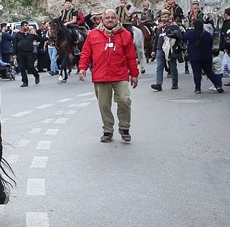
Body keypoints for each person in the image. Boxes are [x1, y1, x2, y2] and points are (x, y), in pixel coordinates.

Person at [78, 9, 139, 142]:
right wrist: (82, 68)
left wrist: (134, 74)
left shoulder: (126, 34)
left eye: (113, 17)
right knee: (104, 105)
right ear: (102, 20)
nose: (110, 20)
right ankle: (108, 130)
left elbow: (131, 56)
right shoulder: (93, 34)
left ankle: (124, 127)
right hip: (101, 76)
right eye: (107, 18)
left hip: (120, 75)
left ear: (117, 19)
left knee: (124, 100)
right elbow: (86, 52)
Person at [183, 18, 223, 94]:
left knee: (196, 72)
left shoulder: (190, 33)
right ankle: (218, 85)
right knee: (209, 72)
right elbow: (211, 44)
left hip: (194, 56)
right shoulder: (207, 35)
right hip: (206, 56)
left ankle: (198, 88)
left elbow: (183, 37)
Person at [151, 11, 182, 90]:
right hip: (160, 48)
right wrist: (153, 50)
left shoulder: (174, 26)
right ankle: (158, 84)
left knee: (172, 66)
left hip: (170, 49)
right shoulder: (159, 28)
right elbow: (156, 39)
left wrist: (170, 35)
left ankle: (174, 83)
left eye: (165, 17)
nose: (164, 19)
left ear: (169, 18)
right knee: (159, 66)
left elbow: (179, 36)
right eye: (162, 17)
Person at [14, 22, 40, 87]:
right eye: (26, 25)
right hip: (20, 53)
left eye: (28, 25)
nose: (27, 26)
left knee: (30, 66)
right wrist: (14, 54)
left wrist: (35, 33)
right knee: (22, 68)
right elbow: (15, 44)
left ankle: (36, 76)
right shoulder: (18, 34)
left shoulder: (31, 34)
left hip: (29, 52)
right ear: (22, 26)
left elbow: (39, 39)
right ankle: (25, 82)